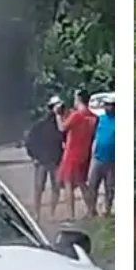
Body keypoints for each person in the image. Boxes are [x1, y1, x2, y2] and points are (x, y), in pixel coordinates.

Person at [56, 89, 97, 219]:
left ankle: (70, 215)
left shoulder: (77, 115)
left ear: (78, 99)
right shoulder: (92, 116)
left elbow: (62, 128)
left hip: (72, 153)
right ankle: (91, 210)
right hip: (85, 153)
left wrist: (58, 115)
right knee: (82, 183)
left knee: (68, 183)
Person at [24, 95, 65, 222]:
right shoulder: (40, 125)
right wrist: (33, 157)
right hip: (42, 160)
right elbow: (30, 140)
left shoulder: (61, 123)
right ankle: (37, 214)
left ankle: (52, 213)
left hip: (55, 160)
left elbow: (64, 136)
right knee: (38, 188)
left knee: (56, 187)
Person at [87, 93, 115, 216]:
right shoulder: (101, 119)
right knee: (92, 185)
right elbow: (95, 135)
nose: (107, 107)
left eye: (109, 105)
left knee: (109, 187)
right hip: (98, 157)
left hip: (112, 160)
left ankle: (107, 211)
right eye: (106, 105)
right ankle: (91, 210)